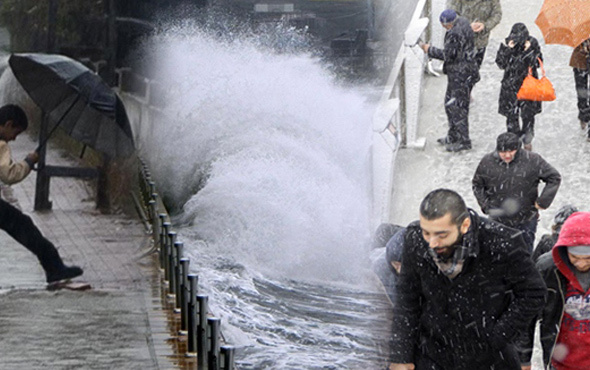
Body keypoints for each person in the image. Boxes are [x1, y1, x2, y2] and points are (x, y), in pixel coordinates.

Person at [389, 188, 546, 370]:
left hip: (489, 358)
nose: (432, 243)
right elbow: (407, 298)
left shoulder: (502, 243)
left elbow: (533, 292)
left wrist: (498, 335)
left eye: (442, 235)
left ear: (464, 225)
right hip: (431, 353)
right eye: (427, 233)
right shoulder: (414, 238)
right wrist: (400, 355)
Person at [0, 104, 83, 284]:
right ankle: (55, 269)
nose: (14, 139)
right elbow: (9, 175)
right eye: (16, 132)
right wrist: (29, 162)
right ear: (8, 124)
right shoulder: (1, 145)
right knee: (23, 226)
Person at [519, 212, 590, 370]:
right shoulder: (548, 269)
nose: (581, 263)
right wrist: (524, 359)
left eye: (588, 258)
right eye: (575, 257)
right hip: (561, 361)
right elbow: (526, 316)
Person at [472, 132, 561, 251]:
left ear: (518, 149)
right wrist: (485, 205)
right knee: (498, 256)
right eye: (503, 152)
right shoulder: (487, 162)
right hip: (498, 220)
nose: (507, 155)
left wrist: (543, 201)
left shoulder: (533, 160)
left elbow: (554, 177)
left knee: (524, 255)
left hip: (525, 220)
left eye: (511, 151)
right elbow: (477, 184)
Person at [420, 9, 479, 152]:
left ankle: (463, 141)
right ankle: (453, 135)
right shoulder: (463, 22)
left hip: (460, 75)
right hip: (467, 72)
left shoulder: (454, 34)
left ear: (447, 24)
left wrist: (428, 49)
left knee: (457, 108)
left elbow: (448, 55)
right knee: (452, 105)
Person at [496, 23, 543, 151]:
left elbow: (538, 62)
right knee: (512, 116)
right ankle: (514, 142)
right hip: (512, 86)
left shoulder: (532, 43)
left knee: (528, 115)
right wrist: (508, 49)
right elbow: (501, 63)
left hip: (527, 85)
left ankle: (527, 141)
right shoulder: (507, 44)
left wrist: (528, 51)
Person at [447, 0, 502, 70]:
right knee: (458, 71)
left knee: (474, 71)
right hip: (461, 40)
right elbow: (452, 14)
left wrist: (485, 26)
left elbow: (497, 15)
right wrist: (466, 25)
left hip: (480, 41)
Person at [570, 38, 590, 141]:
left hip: (580, 62)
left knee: (582, 92)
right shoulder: (580, 30)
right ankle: (583, 115)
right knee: (581, 92)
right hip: (580, 62)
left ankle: (584, 117)